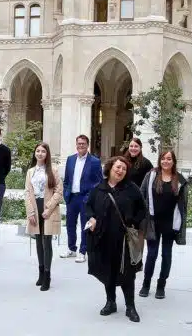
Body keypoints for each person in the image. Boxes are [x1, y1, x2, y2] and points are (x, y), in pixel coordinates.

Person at [85, 156, 147, 323]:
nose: (120, 171)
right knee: (108, 272)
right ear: (110, 169)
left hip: (124, 241)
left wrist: (133, 222)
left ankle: (130, 307)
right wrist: (91, 218)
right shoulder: (99, 189)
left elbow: (142, 210)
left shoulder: (131, 189)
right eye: (117, 167)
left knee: (128, 274)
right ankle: (110, 302)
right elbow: (89, 206)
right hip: (104, 238)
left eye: (124, 169)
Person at [139, 149, 188, 299]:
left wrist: (180, 226)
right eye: (163, 159)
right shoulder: (151, 175)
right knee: (152, 255)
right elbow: (141, 195)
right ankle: (146, 284)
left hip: (170, 224)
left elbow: (183, 205)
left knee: (166, 255)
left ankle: (161, 285)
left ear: (173, 161)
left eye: (169, 159)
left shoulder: (180, 180)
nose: (165, 161)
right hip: (153, 222)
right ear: (159, 160)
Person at [24, 142, 63, 291]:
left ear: (47, 154)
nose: (40, 153)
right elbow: (27, 192)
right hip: (35, 207)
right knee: (38, 241)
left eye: (43, 151)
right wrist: (30, 212)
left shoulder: (53, 170)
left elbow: (59, 192)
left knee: (47, 242)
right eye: (38, 151)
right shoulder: (30, 171)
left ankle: (47, 275)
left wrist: (49, 209)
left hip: (48, 208)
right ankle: (40, 272)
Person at [61, 135, 103, 263]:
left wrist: (90, 197)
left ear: (87, 145)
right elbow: (67, 180)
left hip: (85, 198)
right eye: (79, 143)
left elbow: (99, 182)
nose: (81, 146)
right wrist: (65, 193)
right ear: (76, 144)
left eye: (83, 144)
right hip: (72, 198)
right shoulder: (70, 159)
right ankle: (71, 248)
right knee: (70, 224)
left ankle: (82, 251)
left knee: (85, 226)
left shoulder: (95, 162)